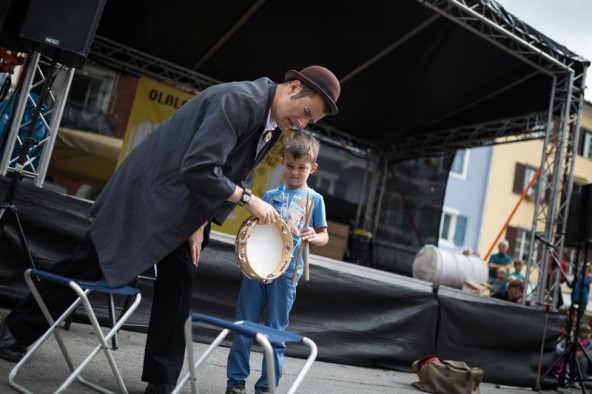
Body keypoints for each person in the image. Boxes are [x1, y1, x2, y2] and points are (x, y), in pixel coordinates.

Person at [0, 65, 341, 394]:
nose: (303, 123)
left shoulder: (272, 123)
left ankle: (161, 382)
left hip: (187, 209)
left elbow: (234, 172)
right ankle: (16, 330)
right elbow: (201, 166)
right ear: (294, 88)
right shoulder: (240, 101)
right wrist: (249, 200)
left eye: (311, 121)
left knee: (180, 286)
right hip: (149, 198)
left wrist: (201, 221)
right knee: (90, 263)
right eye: (307, 113)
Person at [225, 132, 328, 394]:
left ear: (312, 168)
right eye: (289, 166)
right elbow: (256, 229)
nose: (294, 172)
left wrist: (315, 236)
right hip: (257, 270)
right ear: (281, 163)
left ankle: (267, 388)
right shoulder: (270, 195)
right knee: (244, 327)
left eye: (301, 168)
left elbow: (324, 235)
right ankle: (235, 382)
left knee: (276, 335)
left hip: (287, 274)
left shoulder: (315, 200)